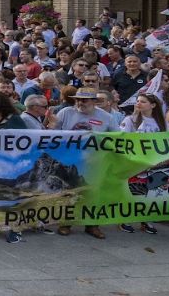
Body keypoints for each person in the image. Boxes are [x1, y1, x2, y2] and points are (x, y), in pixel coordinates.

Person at [54, 88, 115, 239]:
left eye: (84, 100)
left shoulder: (106, 117)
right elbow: (52, 134)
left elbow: (116, 137)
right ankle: (65, 223)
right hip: (69, 162)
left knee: (93, 195)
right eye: (78, 99)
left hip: (94, 162)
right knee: (69, 194)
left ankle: (92, 226)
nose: (80, 103)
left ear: (94, 102)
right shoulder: (66, 112)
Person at [118, 93, 167, 235]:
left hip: (154, 163)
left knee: (150, 191)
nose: (139, 103)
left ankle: (145, 220)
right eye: (138, 101)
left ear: (153, 105)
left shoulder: (162, 123)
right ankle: (124, 219)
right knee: (132, 190)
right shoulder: (130, 120)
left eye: (143, 102)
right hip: (133, 162)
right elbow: (122, 139)